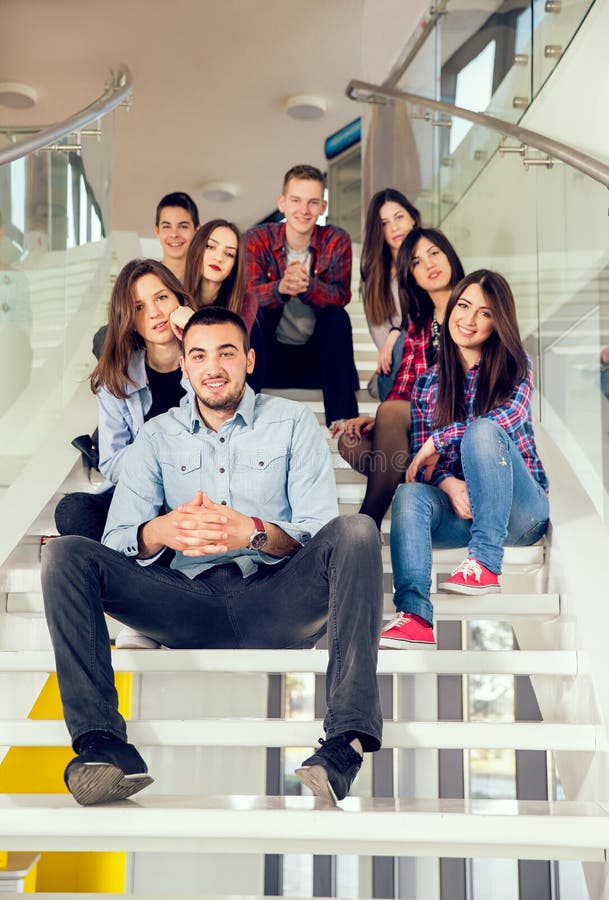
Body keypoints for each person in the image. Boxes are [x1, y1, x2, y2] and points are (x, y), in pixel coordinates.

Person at [42, 306, 383, 807]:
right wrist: (161, 530)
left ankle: (343, 744)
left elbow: (316, 534)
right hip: (183, 603)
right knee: (65, 555)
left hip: (276, 600)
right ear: (184, 367)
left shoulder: (291, 423)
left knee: (357, 531)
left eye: (226, 353)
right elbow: (115, 540)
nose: (213, 367)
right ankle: (104, 746)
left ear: (248, 360)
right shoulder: (157, 434)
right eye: (198, 355)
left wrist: (254, 532)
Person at [381, 270, 550, 648]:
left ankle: (486, 564)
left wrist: (441, 438)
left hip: (520, 513)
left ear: (498, 322)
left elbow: (505, 420)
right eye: (464, 306)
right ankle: (414, 616)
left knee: (484, 430)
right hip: (468, 514)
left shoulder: (515, 364)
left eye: (485, 313)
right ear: (452, 307)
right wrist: (445, 481)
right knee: (409, 494)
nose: (469, 321)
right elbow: (423, 464)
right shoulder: (428, 382)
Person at [54, 259, 192, 546]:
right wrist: (165, 456)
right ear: (128, 318)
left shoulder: (208, 365)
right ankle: (147, 562)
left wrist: (196, 335)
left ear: (179, 299)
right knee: (73, 510)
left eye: (162, 297)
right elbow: (112, 462)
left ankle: (143, 570)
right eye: (138, 307)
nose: (154, 313)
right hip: (142, 497)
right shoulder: (117, 376)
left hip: (200, 493)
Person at [338, 228, 465, 527]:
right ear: (412, 277)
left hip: (461, 423)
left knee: (392, 412)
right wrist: (380, 420)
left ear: (449, 256)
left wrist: (392, 413)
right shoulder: (418, 326)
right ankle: (431, 475)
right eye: (417, 262)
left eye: (434, 253)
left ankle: (367, 522)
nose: (429, 264)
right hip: (423, 428)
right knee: (351, 442)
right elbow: (403, 389)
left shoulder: (471, 309)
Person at [245, 164, 359, 426]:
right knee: (257, 314)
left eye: (312, 202)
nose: (304, 210)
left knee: (337, 317)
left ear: (323, 207)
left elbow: (341, 295)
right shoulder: (257, 238)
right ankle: (243, 414)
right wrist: (280, 288)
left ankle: (343, 420)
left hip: (318, 363)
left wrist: (308, 287)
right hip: (268, 360)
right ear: (282, 203)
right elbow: (247, 296)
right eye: (296, 201)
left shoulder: (336, 239)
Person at [360, 189, 420, 400]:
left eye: (399, 217)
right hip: (398, 368)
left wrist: (398, 331)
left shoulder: (433, 263)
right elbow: (386, 346)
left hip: (433, 363)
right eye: (384, 223)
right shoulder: (375, 280)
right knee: (402, 341)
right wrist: (397, 334)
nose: (394, 227)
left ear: (412, 218)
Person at [183, 218, 256, 333]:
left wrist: (188, 322)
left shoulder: (245, 301)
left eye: (229, 254)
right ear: (196, 250)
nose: (219, 258)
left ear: (234, 266)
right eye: (211, 247)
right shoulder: (174, 297)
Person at [154, 191, 200, 282]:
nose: (174, 234)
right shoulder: (145, 281)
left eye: (183, 226)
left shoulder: (207, 283)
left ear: (197, 231)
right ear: (157, 231)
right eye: (167, 226)